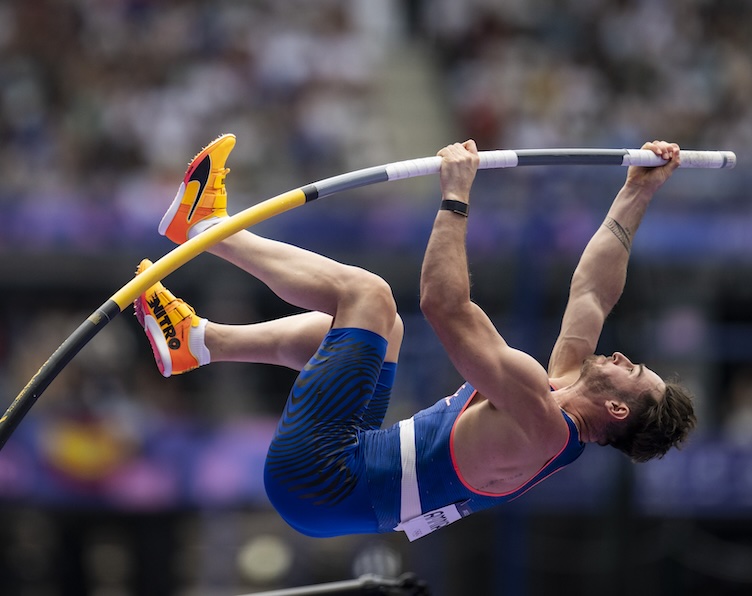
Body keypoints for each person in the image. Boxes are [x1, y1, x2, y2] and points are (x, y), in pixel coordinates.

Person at [135, 134, 696, 539]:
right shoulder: (563, 392)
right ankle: (198, 341)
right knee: (384, 332)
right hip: (346, 474)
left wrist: (455, 195)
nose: (622, 356)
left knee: (370, 298)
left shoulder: (540, 420)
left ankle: (203, 228)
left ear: (618, 410)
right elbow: (593, 292)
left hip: (324, 478)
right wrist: (638, 191)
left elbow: (444, 305)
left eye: (632, 370)